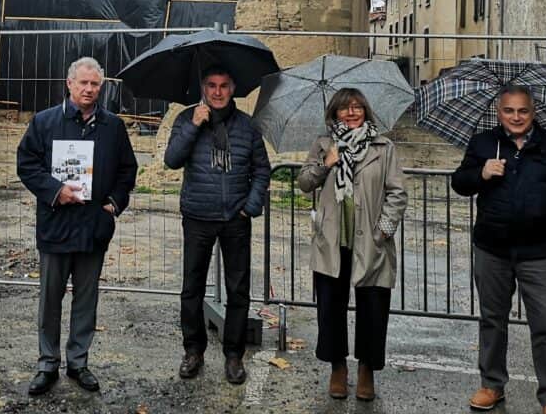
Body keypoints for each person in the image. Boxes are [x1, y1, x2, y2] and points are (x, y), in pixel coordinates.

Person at [452, 84, 546, 414]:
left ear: (533, 112)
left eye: (522, 110)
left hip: (539, 253)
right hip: (492, 249)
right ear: (499, 112)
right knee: (492, 322)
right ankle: (491, 385)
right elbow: (459, 182)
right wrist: (481, 173)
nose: (516, 117)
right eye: (509, 110)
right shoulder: (484, 143)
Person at [17, 57, 138, 396]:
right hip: (56, 226)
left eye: (95, 84)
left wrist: (113, 204)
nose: (89, 90)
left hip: (93, 229)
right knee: (50, 301)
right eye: (83, 83)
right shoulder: (44, 122)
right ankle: (47, 364)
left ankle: (79, 363)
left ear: (102, 87)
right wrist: (55, 191)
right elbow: (26, 164)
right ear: (68, 84)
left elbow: (128, 170)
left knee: (86, 301)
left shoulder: (113, 126)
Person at [297, 87, 407, 402]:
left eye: (358, 107)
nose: (352, 112)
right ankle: (337, 369)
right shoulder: (323, 144)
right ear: (334, 113)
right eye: (345, 108)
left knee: (373, 308)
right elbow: (305, 183)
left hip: (371, 244)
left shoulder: (382, 147)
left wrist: (383, 231)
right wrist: (326, 163)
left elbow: (397, 192)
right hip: (333, 242)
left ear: (366, 111)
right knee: (330, 309)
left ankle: (366, 371)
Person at [164, 66, 271, 385]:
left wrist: (249, 207)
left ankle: (234, 354)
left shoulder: (247, 126)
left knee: (238, 289)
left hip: (234, 219)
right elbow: (171, 159)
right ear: (203, 87)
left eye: (224, 85)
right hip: (198, 216)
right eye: (211, 85)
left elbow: (262, 170)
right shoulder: (186, 118)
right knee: (191, 288)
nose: (218, 91)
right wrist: (194, 126)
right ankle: (193, 350)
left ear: (233, 88)